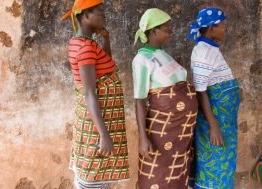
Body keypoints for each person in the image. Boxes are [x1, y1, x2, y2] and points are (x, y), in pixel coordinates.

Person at [61, 0, 129, 188]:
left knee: (96, 178)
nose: (104, 17)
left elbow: (105, 65)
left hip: (95, 121)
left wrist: (106, 39)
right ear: (86, 16)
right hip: (96, 125)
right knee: (93, 179)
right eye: (100, 13)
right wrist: (104, 135)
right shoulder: (85, 48)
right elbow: (89, 93)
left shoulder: (84, 43)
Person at [133, 8, 198, 189]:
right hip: (162, 133)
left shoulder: (162, 53)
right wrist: (143, 138)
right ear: (153, 31)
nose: (170, 30)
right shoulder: (141, 59)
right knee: (156, 177)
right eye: (166, 27)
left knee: (177, 177)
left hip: (179, 134)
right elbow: (139, 100)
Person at [187, 7, 240, 189]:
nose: (225, 29)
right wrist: (214, 127)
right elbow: (201, 92)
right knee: (215, 165)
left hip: (225, 121)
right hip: (216, 122)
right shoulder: (203, 52)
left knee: (223, 163)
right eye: (222, 26)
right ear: (211, 28)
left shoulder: (210, 49)